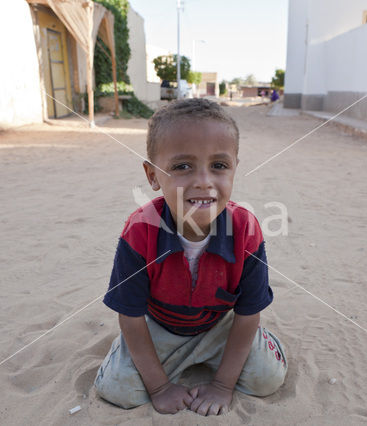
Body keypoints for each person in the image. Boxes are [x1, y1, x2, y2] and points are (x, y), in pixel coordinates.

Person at [94, 98, 287, 416]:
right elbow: (130, 316)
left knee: (266, 380)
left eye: (219, 166)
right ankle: (136, 360)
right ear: (153, 175)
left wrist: (223, 385)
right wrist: (159, 387)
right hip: (159, 330)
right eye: (182, 166)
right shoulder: (140, 230)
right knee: (118, 389)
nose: (203, 181)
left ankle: (267, 346)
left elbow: (247, 314)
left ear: (235, 168)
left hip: (221, 327)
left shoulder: (245, 228)